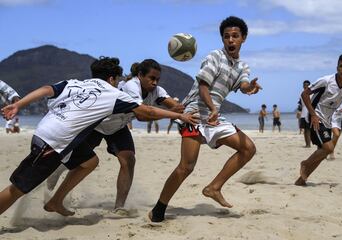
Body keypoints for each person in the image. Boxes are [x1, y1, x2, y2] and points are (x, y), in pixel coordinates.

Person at [0, 57, 198, 216]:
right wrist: (180, 116)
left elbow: (45, 89)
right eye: (118, 80)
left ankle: (56, 201)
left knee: (92, 161)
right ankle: (57, 172)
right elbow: (146, 112)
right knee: (17, 189)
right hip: (67, 137)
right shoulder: (116, 93)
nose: (120, 83)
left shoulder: (75, 83)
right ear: (113, 79)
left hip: (49, 131)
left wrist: (18, 104)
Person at [149, 16, 262, 222]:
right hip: (193, 114)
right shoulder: (214, 57)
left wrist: (250, 88)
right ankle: (158, 209)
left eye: (235, 36)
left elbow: (243, 85)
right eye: (226, 36)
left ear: (243, 39)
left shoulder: (242, 66)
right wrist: (212, 108)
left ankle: (213, 188)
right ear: (222, 39)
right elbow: (203, 87)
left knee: (248, 148)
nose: (230, 40)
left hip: (213, 116)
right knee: (186, 167)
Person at [295, 53, 342, 186]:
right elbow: (304, 94)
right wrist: (313, 114)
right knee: (328, 148)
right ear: (337, 67)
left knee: (322, 153)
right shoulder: (326, 80)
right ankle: (305, 163)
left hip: (328, 121)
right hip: (316, 118)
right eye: (341, 66)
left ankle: (301, 180)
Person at [297, 80, 311, 147]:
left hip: (309, 113)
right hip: (303, 113)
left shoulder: (311, 94)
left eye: (307, 85)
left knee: (308, 130)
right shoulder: (302, 94)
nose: (305, 86)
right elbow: (300, 105)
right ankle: (307, 144)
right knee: (306, 130)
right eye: (304, 85)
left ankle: (308, 144)